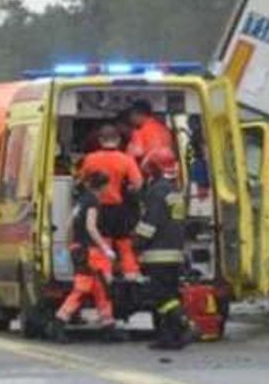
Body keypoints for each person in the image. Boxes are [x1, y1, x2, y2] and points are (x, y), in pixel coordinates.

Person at [137, 146, 194, 350]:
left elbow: (150, 223)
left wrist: (137, 243)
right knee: (169, 295)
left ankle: (184, 325)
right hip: (174, 253)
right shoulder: (173, 190)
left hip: (158, 254)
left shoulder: (157, 191)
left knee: (162, 297)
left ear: (155, 168)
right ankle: (170, 338)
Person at [50, 171, 115, 341]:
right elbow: (91, 227)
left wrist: (68, 245)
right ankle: (59, 322)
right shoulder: (93, 201)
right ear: (102, 186)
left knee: (98, 288)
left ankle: (108, 325)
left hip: (78, 248)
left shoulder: (81, 200)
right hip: (90, 251)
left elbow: (69, 223)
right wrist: (105, 247)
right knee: (89, 287)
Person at [79, 124, 144, 279]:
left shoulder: (90, 159)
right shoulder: (126, 160)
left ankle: (106, 277)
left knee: (104, 244)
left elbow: (81, 181)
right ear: (119, 141)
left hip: (99, 209)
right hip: (119, 209)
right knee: (125, 245)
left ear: (100, 140)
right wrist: (129, 190)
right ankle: (131, 276)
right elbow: (138, 183)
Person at [127, 100, 175, 168]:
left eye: (131, 114)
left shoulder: (140, 131)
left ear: (139, 114)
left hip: (150, 172)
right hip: (169, 171)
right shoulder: (164, 129)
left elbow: (137, 153)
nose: (130, 118)